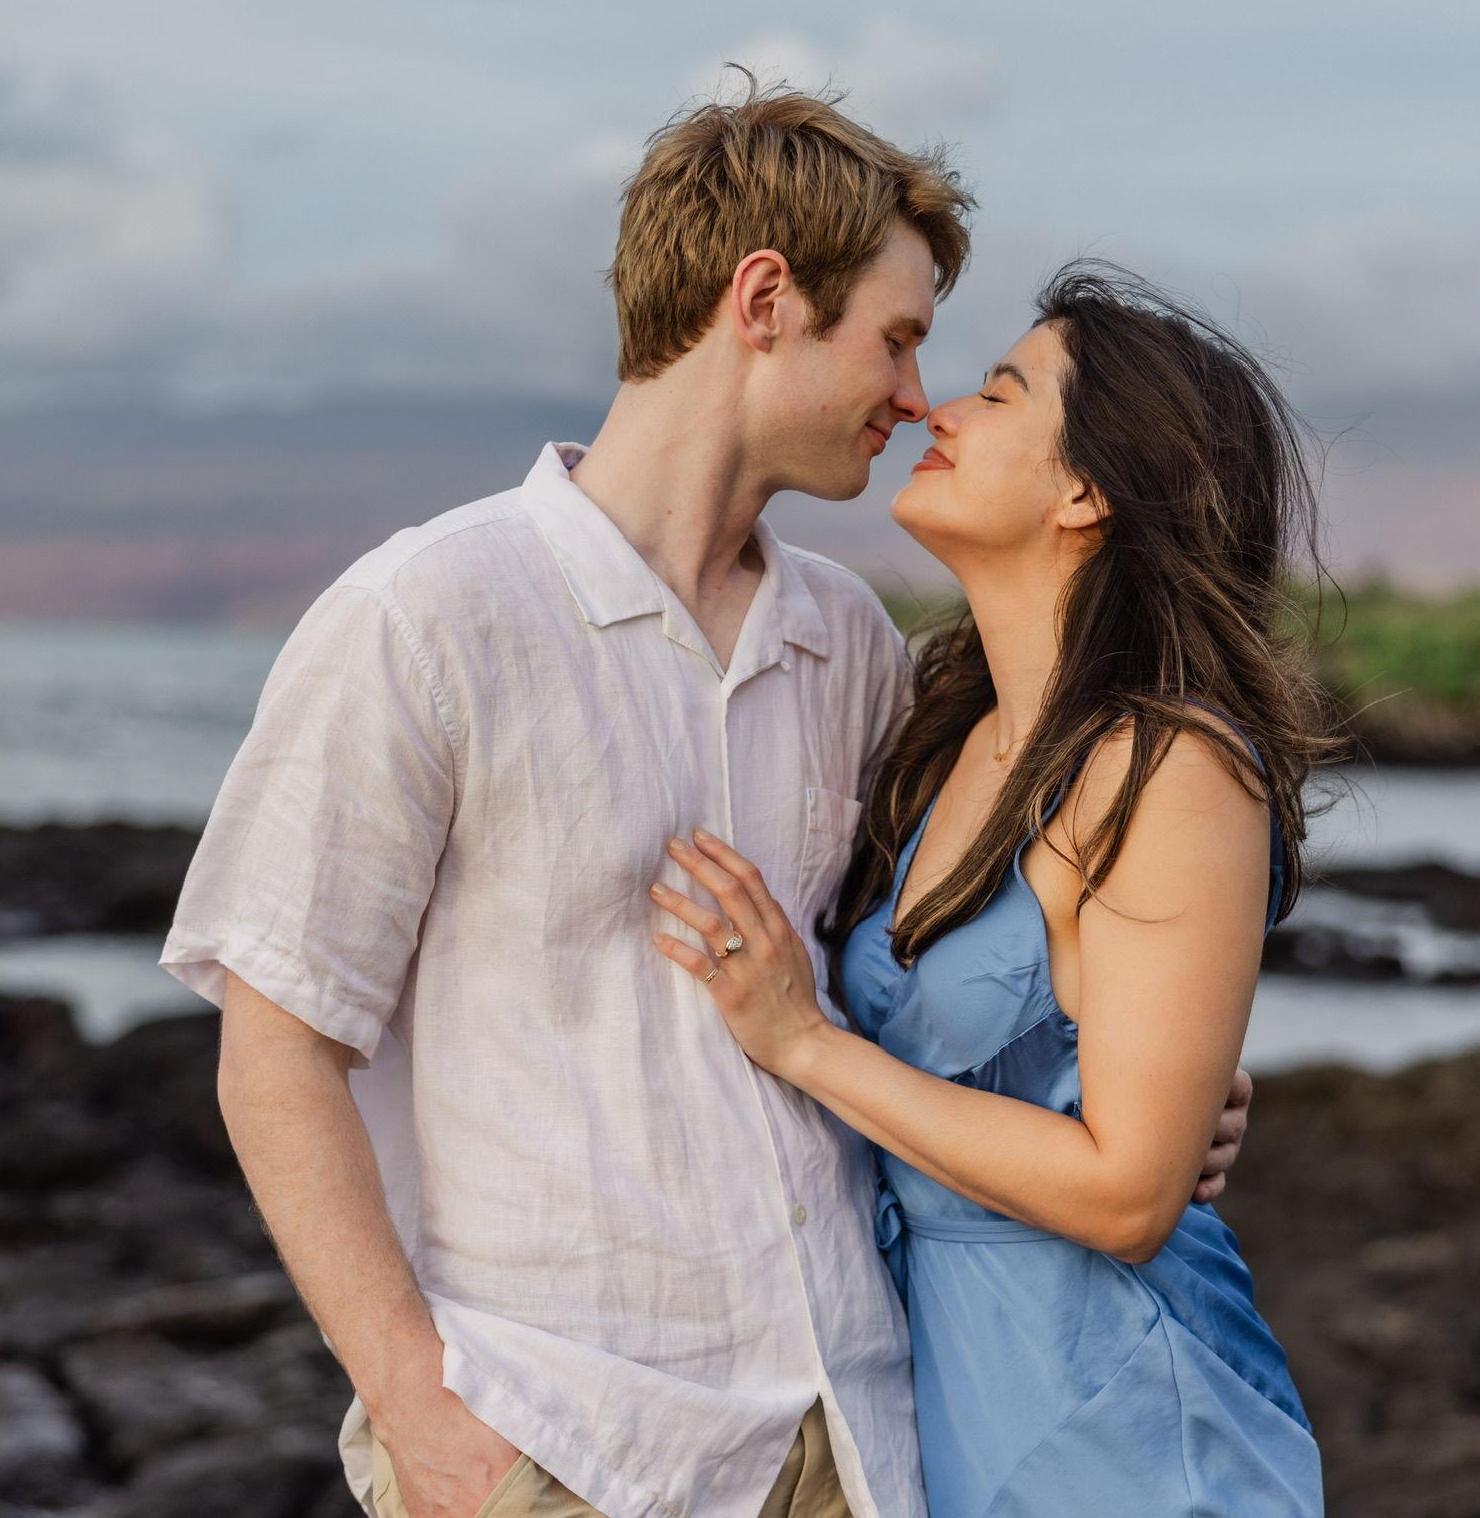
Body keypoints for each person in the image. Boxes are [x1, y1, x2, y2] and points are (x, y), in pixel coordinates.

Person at [159, 76, 1253, 1518]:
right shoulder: (427, 614)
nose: (916, 394)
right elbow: (276, 1046)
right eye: (899, 337)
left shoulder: (850, 641)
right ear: (762, 298)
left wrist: (1136, 1093)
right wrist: (425, 1417)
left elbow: (930, 965)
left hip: (861, 1435)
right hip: (569, 1438)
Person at [647, 264, 1331, 1515]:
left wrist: (803, 1042)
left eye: (999, 391)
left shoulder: (1166, 768)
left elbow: (1125, 1196)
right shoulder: (944, 731)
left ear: (1085, 489)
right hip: (946, 1412)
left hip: (1122, 1430)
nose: (935, 410)